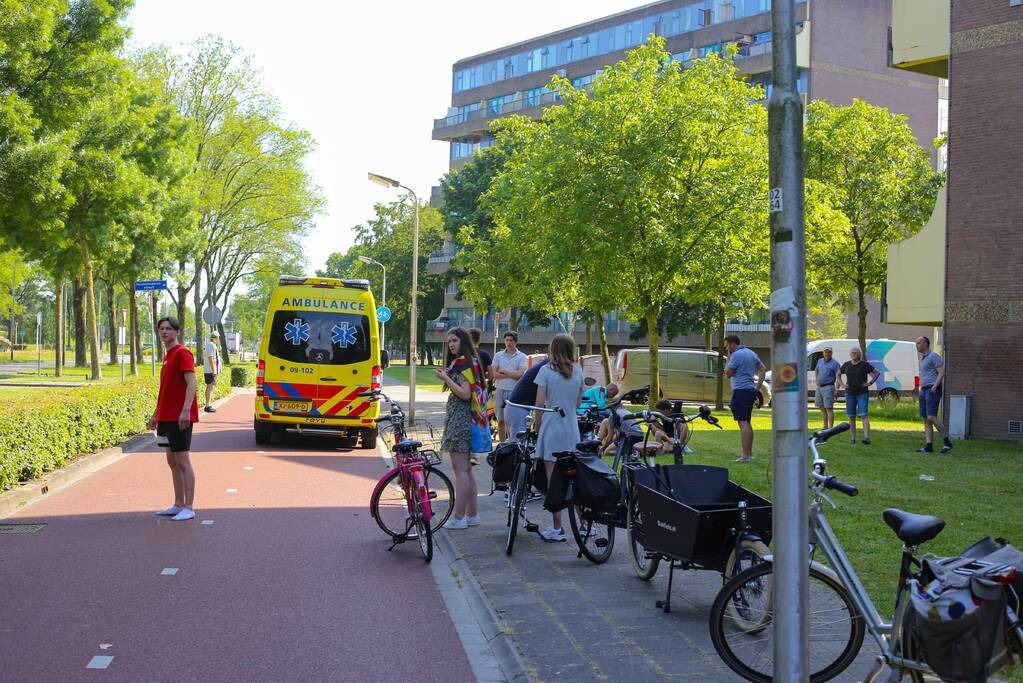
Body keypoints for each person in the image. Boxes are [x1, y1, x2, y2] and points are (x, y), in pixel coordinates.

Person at [533, 334, 584, 542]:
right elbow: (578, 404)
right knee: (575, 477)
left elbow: (539, 404)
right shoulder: (578, 372)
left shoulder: (545, 371)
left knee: (554, 480)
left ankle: (557, 527)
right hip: (572, 429)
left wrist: (537, 427)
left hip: (552, 428)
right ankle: (584, 524)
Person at [148, 316, 200, 522]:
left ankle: (189, 506)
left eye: (168, 329)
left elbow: (192, 382)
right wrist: (155, 414)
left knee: (183, 461)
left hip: (179, 418)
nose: (164, 332)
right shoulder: (168, 356)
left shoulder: (182, 353)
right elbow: (165, 389)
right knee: (171, 461)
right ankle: (178, 503)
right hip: (165, 418)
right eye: (161, 329)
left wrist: (186, 410)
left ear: (177, 332)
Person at [436, 326, 486, 530]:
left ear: (463, 341)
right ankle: (472, 515)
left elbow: (465, 394)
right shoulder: (471, 362)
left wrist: (446, 378)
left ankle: (459, 517)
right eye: (449, 341)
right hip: (468, 421)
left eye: (455, 341)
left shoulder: (463, 364)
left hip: (460, 421)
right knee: (467, 471)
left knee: (460, 472)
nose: (451, 345)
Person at [724, 335, 766, 462]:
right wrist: (757, 388)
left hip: (740, 391)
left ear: (732, 344)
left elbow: (727, 373)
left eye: (727, 345)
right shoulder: (751, 353)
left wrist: (729, 356)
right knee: (746, 422)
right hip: (749, 390)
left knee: (743, 423)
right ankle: (748, 454)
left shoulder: (736, 355)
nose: (726, 348)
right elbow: (762, 369)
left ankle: (746, 456)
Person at [915, 336, 953, 453]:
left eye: (919, 343)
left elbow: (942, 372)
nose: (917, 345)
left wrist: (934, 387)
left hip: (932, 390)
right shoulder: (921, 360)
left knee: (931, 417)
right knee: (926, 419)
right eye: (916, 343)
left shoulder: (934, 356)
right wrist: (919, 389)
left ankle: (947, 442)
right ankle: (928, 446)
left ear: (925, 343)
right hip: (924, 390)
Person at [837, 347, 880, 445]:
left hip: (862, 393)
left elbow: (877, 373)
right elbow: (838, 374)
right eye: (852, 352)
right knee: (851, 416)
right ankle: (853, 438)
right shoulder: (846, 364)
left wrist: (870, 383)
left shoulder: (864, 364)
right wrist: (842, 384)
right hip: (849, 393)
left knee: (864, 415)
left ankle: (866, 437)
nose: (854, 354)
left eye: (856, 352)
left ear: (859, 354)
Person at [491, 331, 528, 441]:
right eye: (506, 340)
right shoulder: (498, 355)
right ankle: (502, 444)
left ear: (515, 342)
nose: (508, 343)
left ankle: (511, 443)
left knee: (511, 420)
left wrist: (503, 371)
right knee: (500, 420)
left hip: (514, 391)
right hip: (500, 390)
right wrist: (511, 374)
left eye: (511, 340)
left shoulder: (522, 357)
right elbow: (493, 374)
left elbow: (519, 375)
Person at [814, 347, 841, 429]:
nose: (827, 354)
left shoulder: (835, 363)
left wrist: (837, 389)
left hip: (829, 387)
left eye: (829, 352)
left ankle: (831, 428)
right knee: (821, 407)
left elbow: (838, 376)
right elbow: (816, 370)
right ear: (823, 353)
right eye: (825, 352)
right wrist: (817, 379)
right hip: (819, 387)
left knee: (829, 408)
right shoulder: (820, 361)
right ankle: (825, 426)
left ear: (831, 353)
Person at [203, 330, 222, 413]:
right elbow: (211, 358)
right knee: (209, 386)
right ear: (216, 338)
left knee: (211, 387)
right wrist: (214, 370)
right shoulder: (211, 345)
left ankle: (208, 404)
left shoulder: (211, 345)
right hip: (210, 370)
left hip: (210, 370)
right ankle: (207, 405)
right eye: (218, 338)